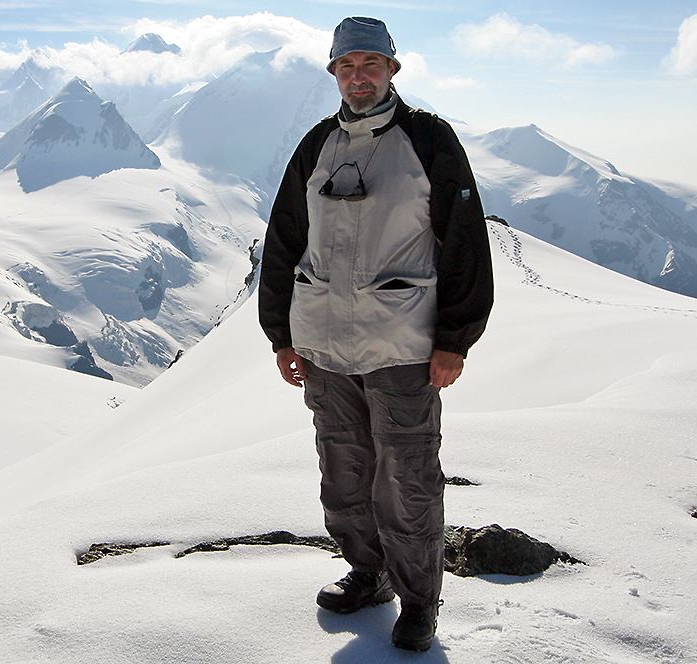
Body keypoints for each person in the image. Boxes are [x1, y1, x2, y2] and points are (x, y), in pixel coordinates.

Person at [258, 16, 494, 652]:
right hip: (324, 347)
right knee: (343, 467)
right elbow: (284, 241)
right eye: (346, 66)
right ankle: (368, 573)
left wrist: (455, 339)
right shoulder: (316, 145)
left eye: (370, 64)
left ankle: (419, 600)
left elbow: (466, 240)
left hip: (403, 348)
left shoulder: (428, 138)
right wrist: (281, 333)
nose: (357, 76)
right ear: (333, 73)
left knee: (408, 476)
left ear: (392, 69)